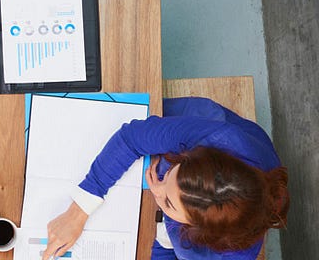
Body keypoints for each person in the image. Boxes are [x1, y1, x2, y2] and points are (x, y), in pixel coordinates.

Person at [40, 97, 289, 260]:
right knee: (157, 106)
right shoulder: (218, 137)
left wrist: (162, 233)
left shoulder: (229, 254)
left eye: (168, 202)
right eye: (173, 170)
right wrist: (78, 211)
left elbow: (174, 248)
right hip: (207, 124)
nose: (154, 189)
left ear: (200, 231)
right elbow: (132, 137)